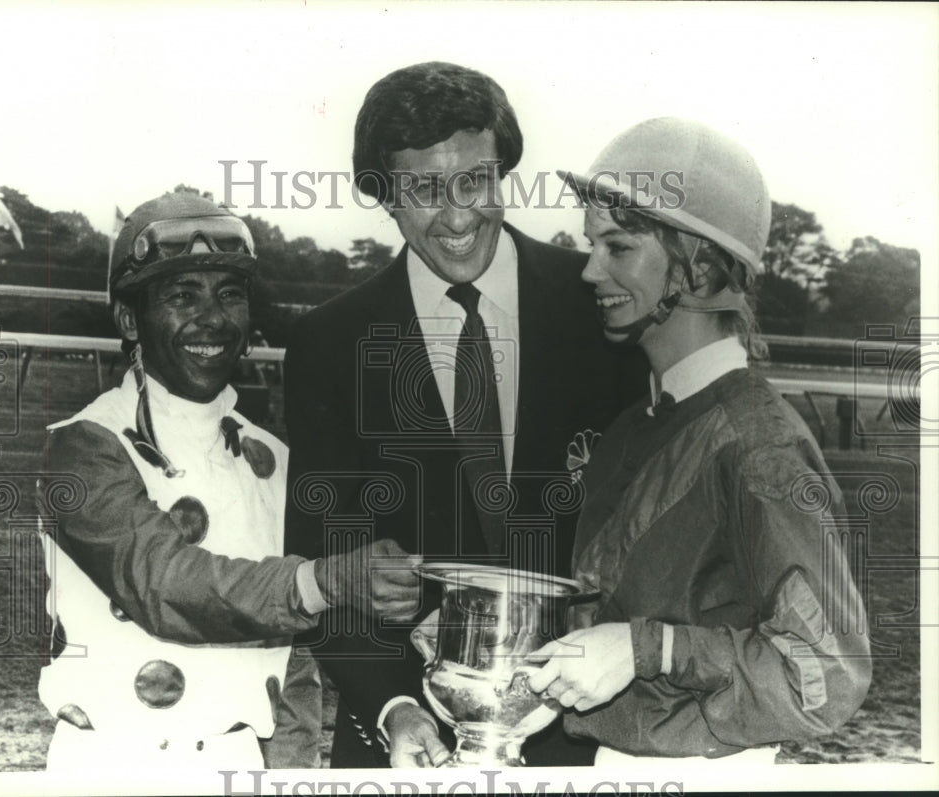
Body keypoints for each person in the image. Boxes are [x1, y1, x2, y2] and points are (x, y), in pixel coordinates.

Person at [283, 62, 647, 768]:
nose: (456, 216)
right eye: (422, 188)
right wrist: (395, 705)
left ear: (503, 172)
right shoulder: (330, 342)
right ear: (383, 195)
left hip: (584, 741)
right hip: (407, 741)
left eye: (474, 181)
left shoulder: (598, 310)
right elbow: (324, 559)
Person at [37, 192, 420, 775]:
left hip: (245, 763)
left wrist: (292, 769)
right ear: (127, 319)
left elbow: (294, 665)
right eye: (181, 295)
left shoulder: (274, 456)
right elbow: (162, 584)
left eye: (230, 294)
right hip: (113, 767)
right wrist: (323, 580)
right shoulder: (83, 446)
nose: (212, 318)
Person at [526, 118, 872, 763]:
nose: (590, 270)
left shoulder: (758, 448)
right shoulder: (637, 423)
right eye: (591, 244)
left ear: (702, 269)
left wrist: (650, 649)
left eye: (619, 248)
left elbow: (827, 678)